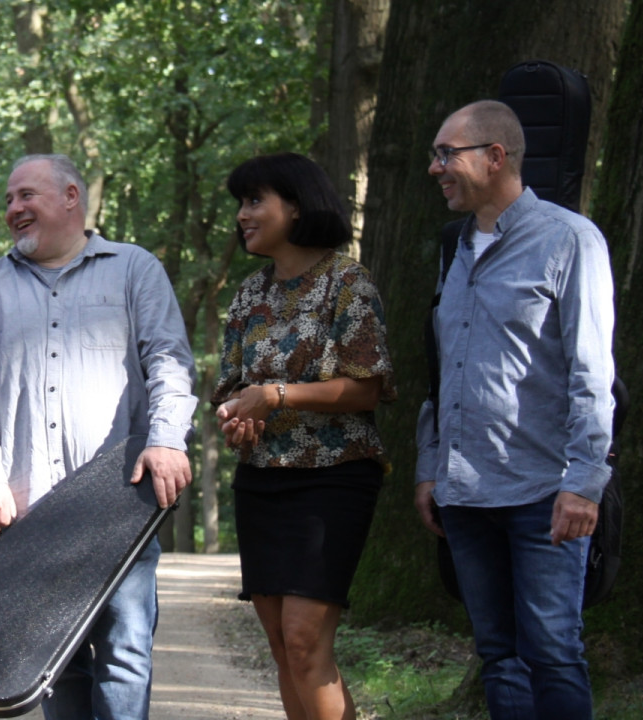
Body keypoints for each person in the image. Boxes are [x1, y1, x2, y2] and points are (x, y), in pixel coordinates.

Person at [0, 153, 196, 720]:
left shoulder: (135, 269)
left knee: (124, 654)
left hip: (121, 505)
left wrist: (166, 439)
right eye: (9, 200)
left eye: (26, 195)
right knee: (54, 663)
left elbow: (169, 361)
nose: (14, 208)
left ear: (71, 197)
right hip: (29, 508)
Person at [414, 100, 615, 720]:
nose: (435, 168)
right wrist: (429, 466)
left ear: (495, 156)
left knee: (553, 653)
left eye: (446, 154)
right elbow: (442, 369)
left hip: (543, 494)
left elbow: (592, 371)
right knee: (499, 655)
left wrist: (584, 483)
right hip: (464, 495)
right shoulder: (454, 247)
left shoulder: (569, 239)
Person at [212, 153, 394, 720]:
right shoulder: (249, 295)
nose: (243, 215)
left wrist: (277, 396)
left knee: (304, 639)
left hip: (334, 478)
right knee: (280, 645)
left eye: (254, 201)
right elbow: (230, 387)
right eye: (240, 204)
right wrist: (236, 416)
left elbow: (367, 388)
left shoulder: (347, 282)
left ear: (295, 206)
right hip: (261, 479)